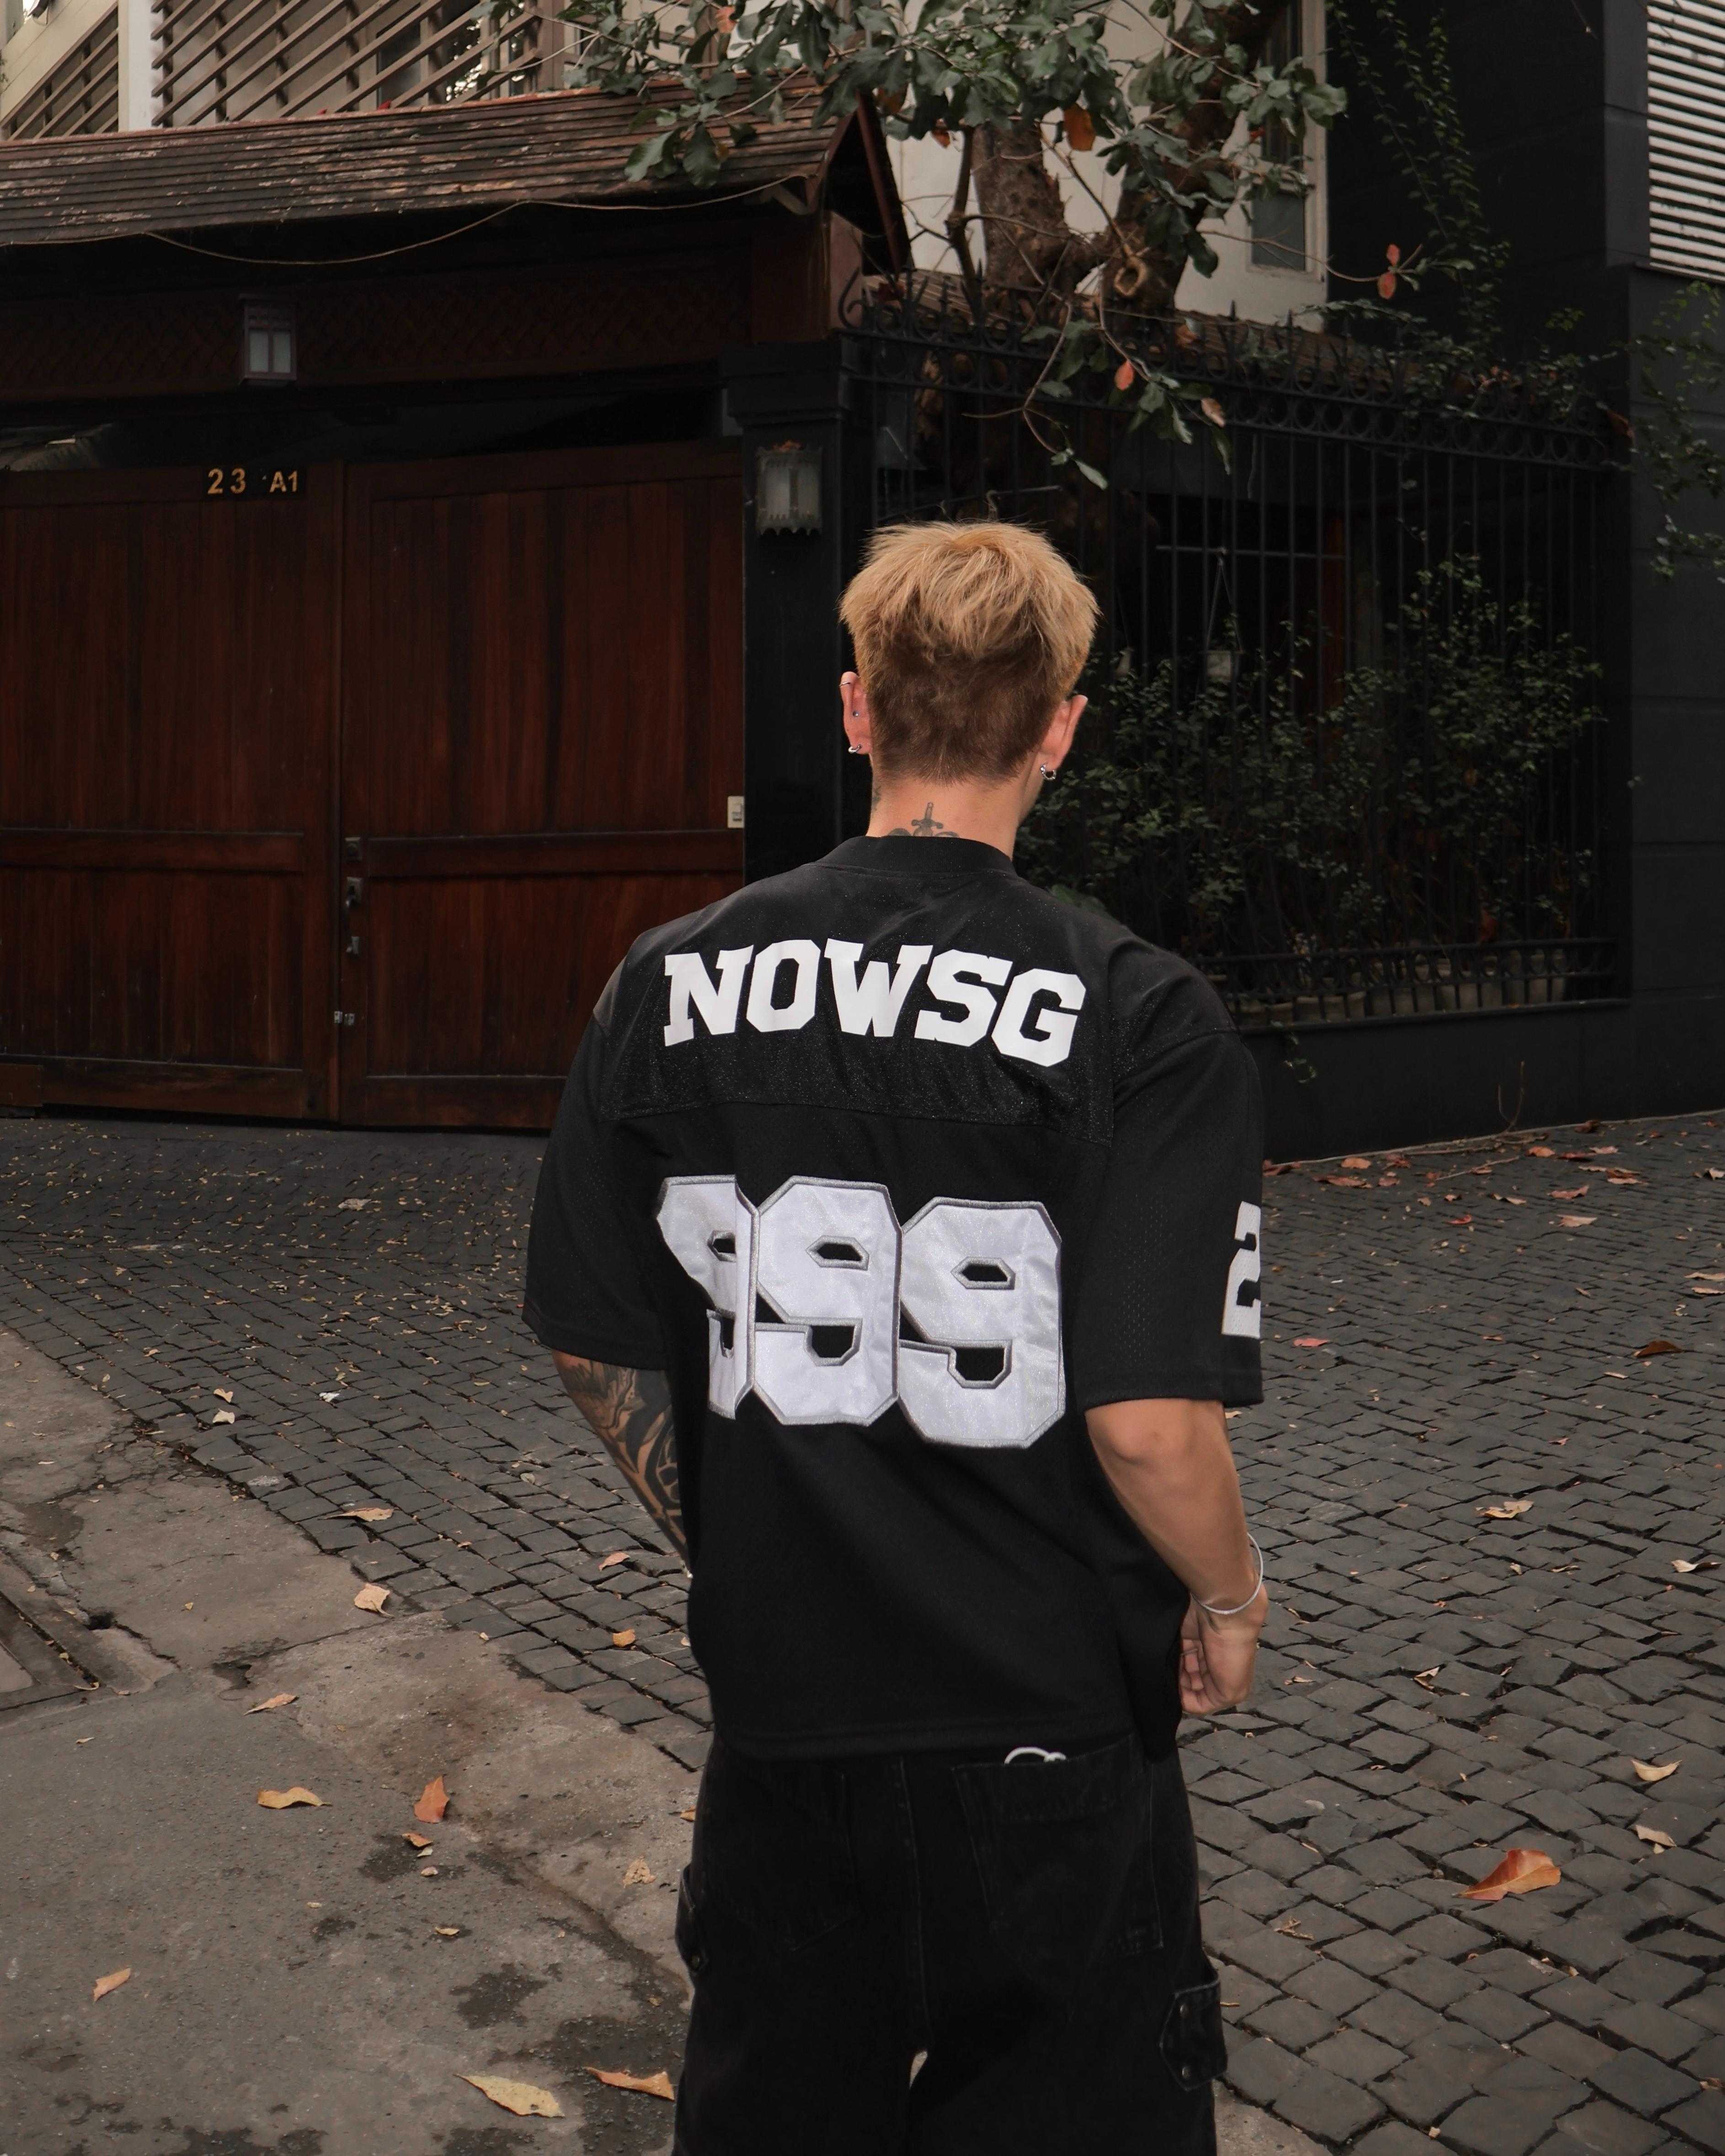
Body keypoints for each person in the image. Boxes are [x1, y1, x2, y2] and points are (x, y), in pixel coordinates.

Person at [523, 519, 1269, 2156]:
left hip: (787, 1730)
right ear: (1060, 726)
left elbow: (594, 1342)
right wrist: (1226, 1596)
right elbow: (1150, 1421)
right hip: (1053, 1731)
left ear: (857, 707)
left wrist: (752, 1525)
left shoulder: (665, 984)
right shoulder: (1143, 1015)